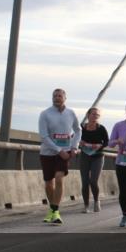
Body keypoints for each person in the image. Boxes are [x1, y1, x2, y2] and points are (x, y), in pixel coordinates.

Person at [38, 89, 81, 225]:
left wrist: (74, 147)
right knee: (48, 183)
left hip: (65, 152)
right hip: (47, 152)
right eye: (54, 96)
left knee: (58, 178)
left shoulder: (71, 113)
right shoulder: (45, 114)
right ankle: (52, 209)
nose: (57, 98)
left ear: (65, 98)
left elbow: (78, 130)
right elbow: (44, 136)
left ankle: (55, 211)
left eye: (59, 96)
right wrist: (58, 150)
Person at [108, 101, 126, 228]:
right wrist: (117, 140)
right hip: (121, 162)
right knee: (123, 191)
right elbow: (110, 144)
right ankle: (124, 214)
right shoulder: (118, 125)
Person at [78, 107, 109, 213]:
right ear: (88, 115)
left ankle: (96, 201)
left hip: (98, 156)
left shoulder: (101, 128)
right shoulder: (82, 127)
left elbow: (106, 142)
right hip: (85, 155)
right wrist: (80, 142)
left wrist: (99, 145)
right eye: (93, 114)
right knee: (85, 182)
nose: (95, 116)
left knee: (93, 181)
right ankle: (86, 205)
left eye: (97, 115)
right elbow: (75, 138)